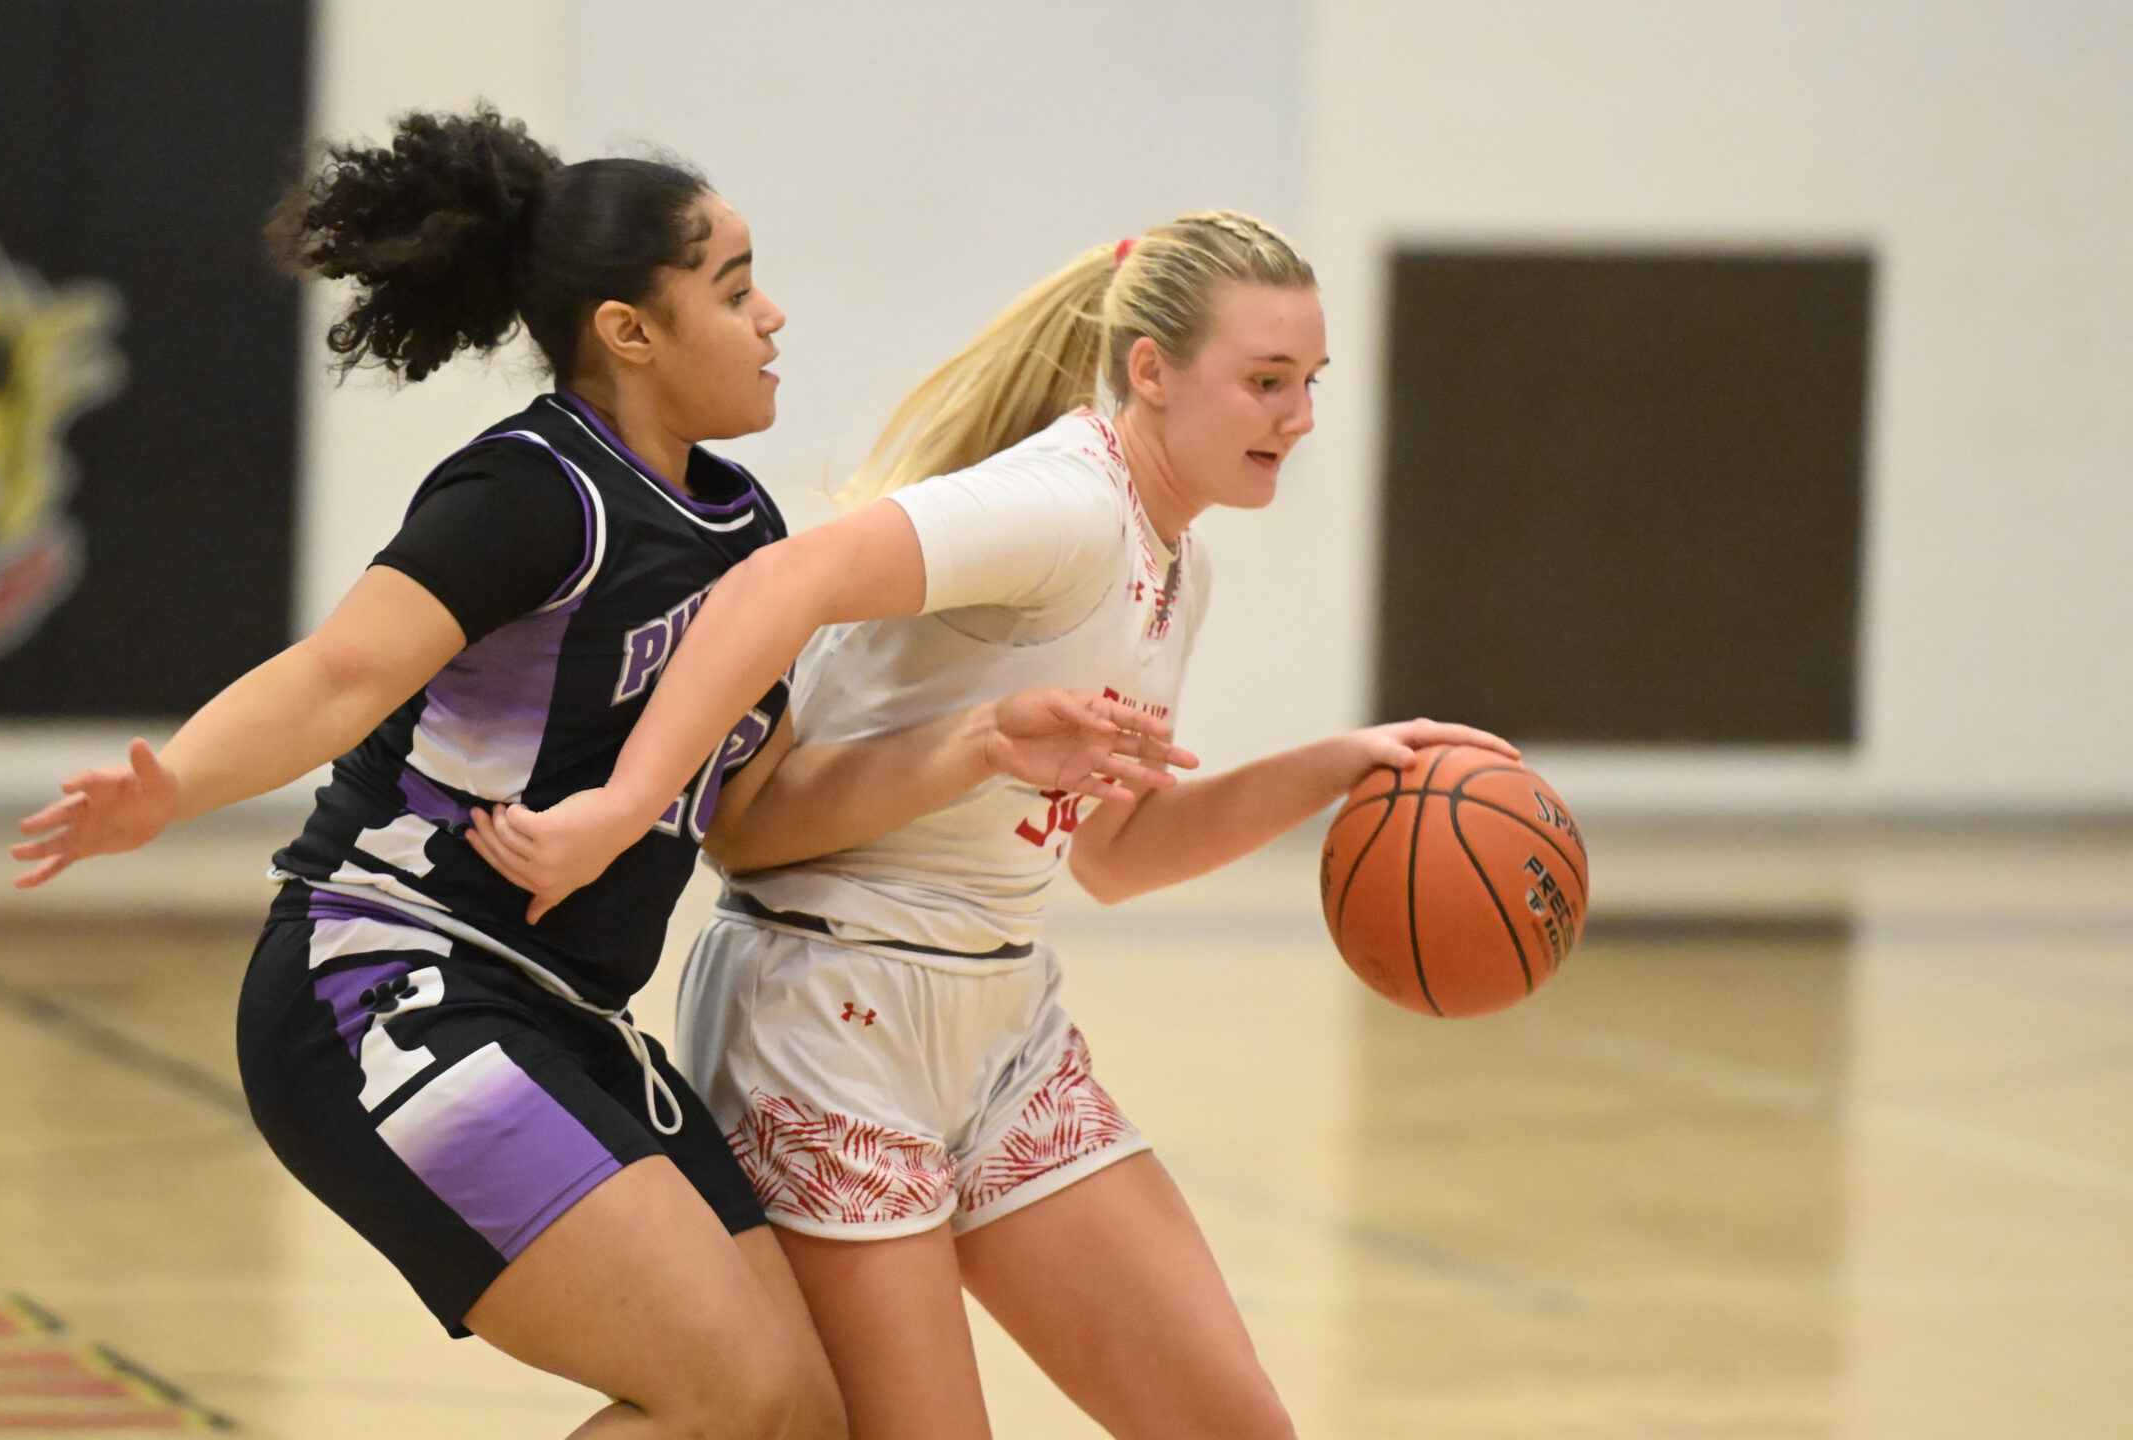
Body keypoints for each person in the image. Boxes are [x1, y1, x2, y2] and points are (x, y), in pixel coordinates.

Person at [7, 107, 1181, 1440]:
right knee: (729, 1390)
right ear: (631, 330)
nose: (774, 316)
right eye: (735, 291)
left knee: (808, 1412)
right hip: (389, 981)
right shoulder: (536, 492)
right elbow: (343, 674)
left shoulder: (742, 529)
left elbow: (755, 821)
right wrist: (174, 788)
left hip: (564, 1014)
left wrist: (969, 749)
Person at [464, 212, 1517, 1439]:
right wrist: (624, 805)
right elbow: (775, 581)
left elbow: (1116, 855)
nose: (1297, 416)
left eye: (1309, 384)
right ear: (1151, 371)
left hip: (998, 1021)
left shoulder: (1174, 559)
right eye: (1266, 382)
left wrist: (1340, 766)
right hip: (832, 1015)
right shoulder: (1059, 507)